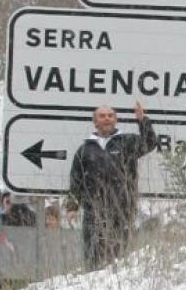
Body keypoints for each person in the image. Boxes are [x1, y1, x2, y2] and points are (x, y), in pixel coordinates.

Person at [66, 102, 158, 270]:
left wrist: (142, 120)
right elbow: (76, 180)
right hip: (93, 210)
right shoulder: (85, 149)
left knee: (119, 255)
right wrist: (72, 206)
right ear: (95, 122)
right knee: (93, 253)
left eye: (110, 115)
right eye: (102, 116)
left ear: (115, 120)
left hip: (121, 209)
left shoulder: (127, 142)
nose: (107, 119)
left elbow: (150, 143)